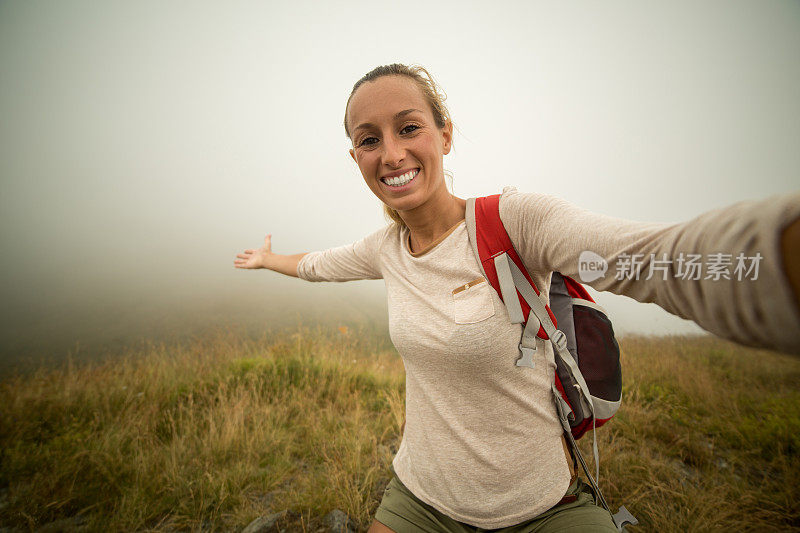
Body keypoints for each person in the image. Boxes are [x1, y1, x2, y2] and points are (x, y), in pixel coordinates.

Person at [234, 64, 800, 532]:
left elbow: (647, 258)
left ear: (444, 134)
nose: (391, 153)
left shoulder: (516, 221)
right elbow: (316, 266)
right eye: (369, 139)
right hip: (421, 501)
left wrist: (771, 261)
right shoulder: (387, 249)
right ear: (355, 157)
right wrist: (267, 259)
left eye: (409, 128)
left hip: (542, 506)